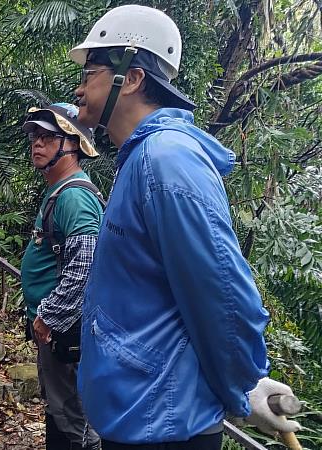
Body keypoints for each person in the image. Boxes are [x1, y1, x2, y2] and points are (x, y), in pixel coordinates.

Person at [68, 5, 301, 448]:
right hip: (140, 409)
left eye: (91, 73)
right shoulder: (141, 159)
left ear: (132, 78)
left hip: (164, 421)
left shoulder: (167, 161)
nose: (79, 90)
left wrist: (244, 382)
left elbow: (221, 292)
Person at [20, 103, 102, 450]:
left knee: (71, 421)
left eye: (48, 137)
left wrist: (49, 317)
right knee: (60, 411)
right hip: (58, 328)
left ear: (74, 144)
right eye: (35, 136)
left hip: (64, 330)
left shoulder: (75, 198)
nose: (37, 143)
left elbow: (84, 268)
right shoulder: (62, 191)